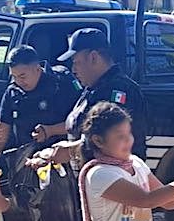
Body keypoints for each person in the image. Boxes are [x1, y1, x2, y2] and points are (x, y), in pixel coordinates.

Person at [0, 45, 83, 221]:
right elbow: (2, 130)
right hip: (28, 161)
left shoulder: (62, 84)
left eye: (23, 76)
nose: (18, 81)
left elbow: (82, 121)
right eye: (14, 76)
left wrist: (51, 130)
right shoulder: (13, 93)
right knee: (40, 216)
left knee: (54, 209)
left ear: (37, 68)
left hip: (63, 155)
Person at [48, 28, 148, 165]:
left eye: (76, 62)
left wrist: (71, 151)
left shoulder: (119, 89)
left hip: (114, 177)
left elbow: (111, 139)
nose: (73, 70)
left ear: (93, 57)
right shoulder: (93, 87)